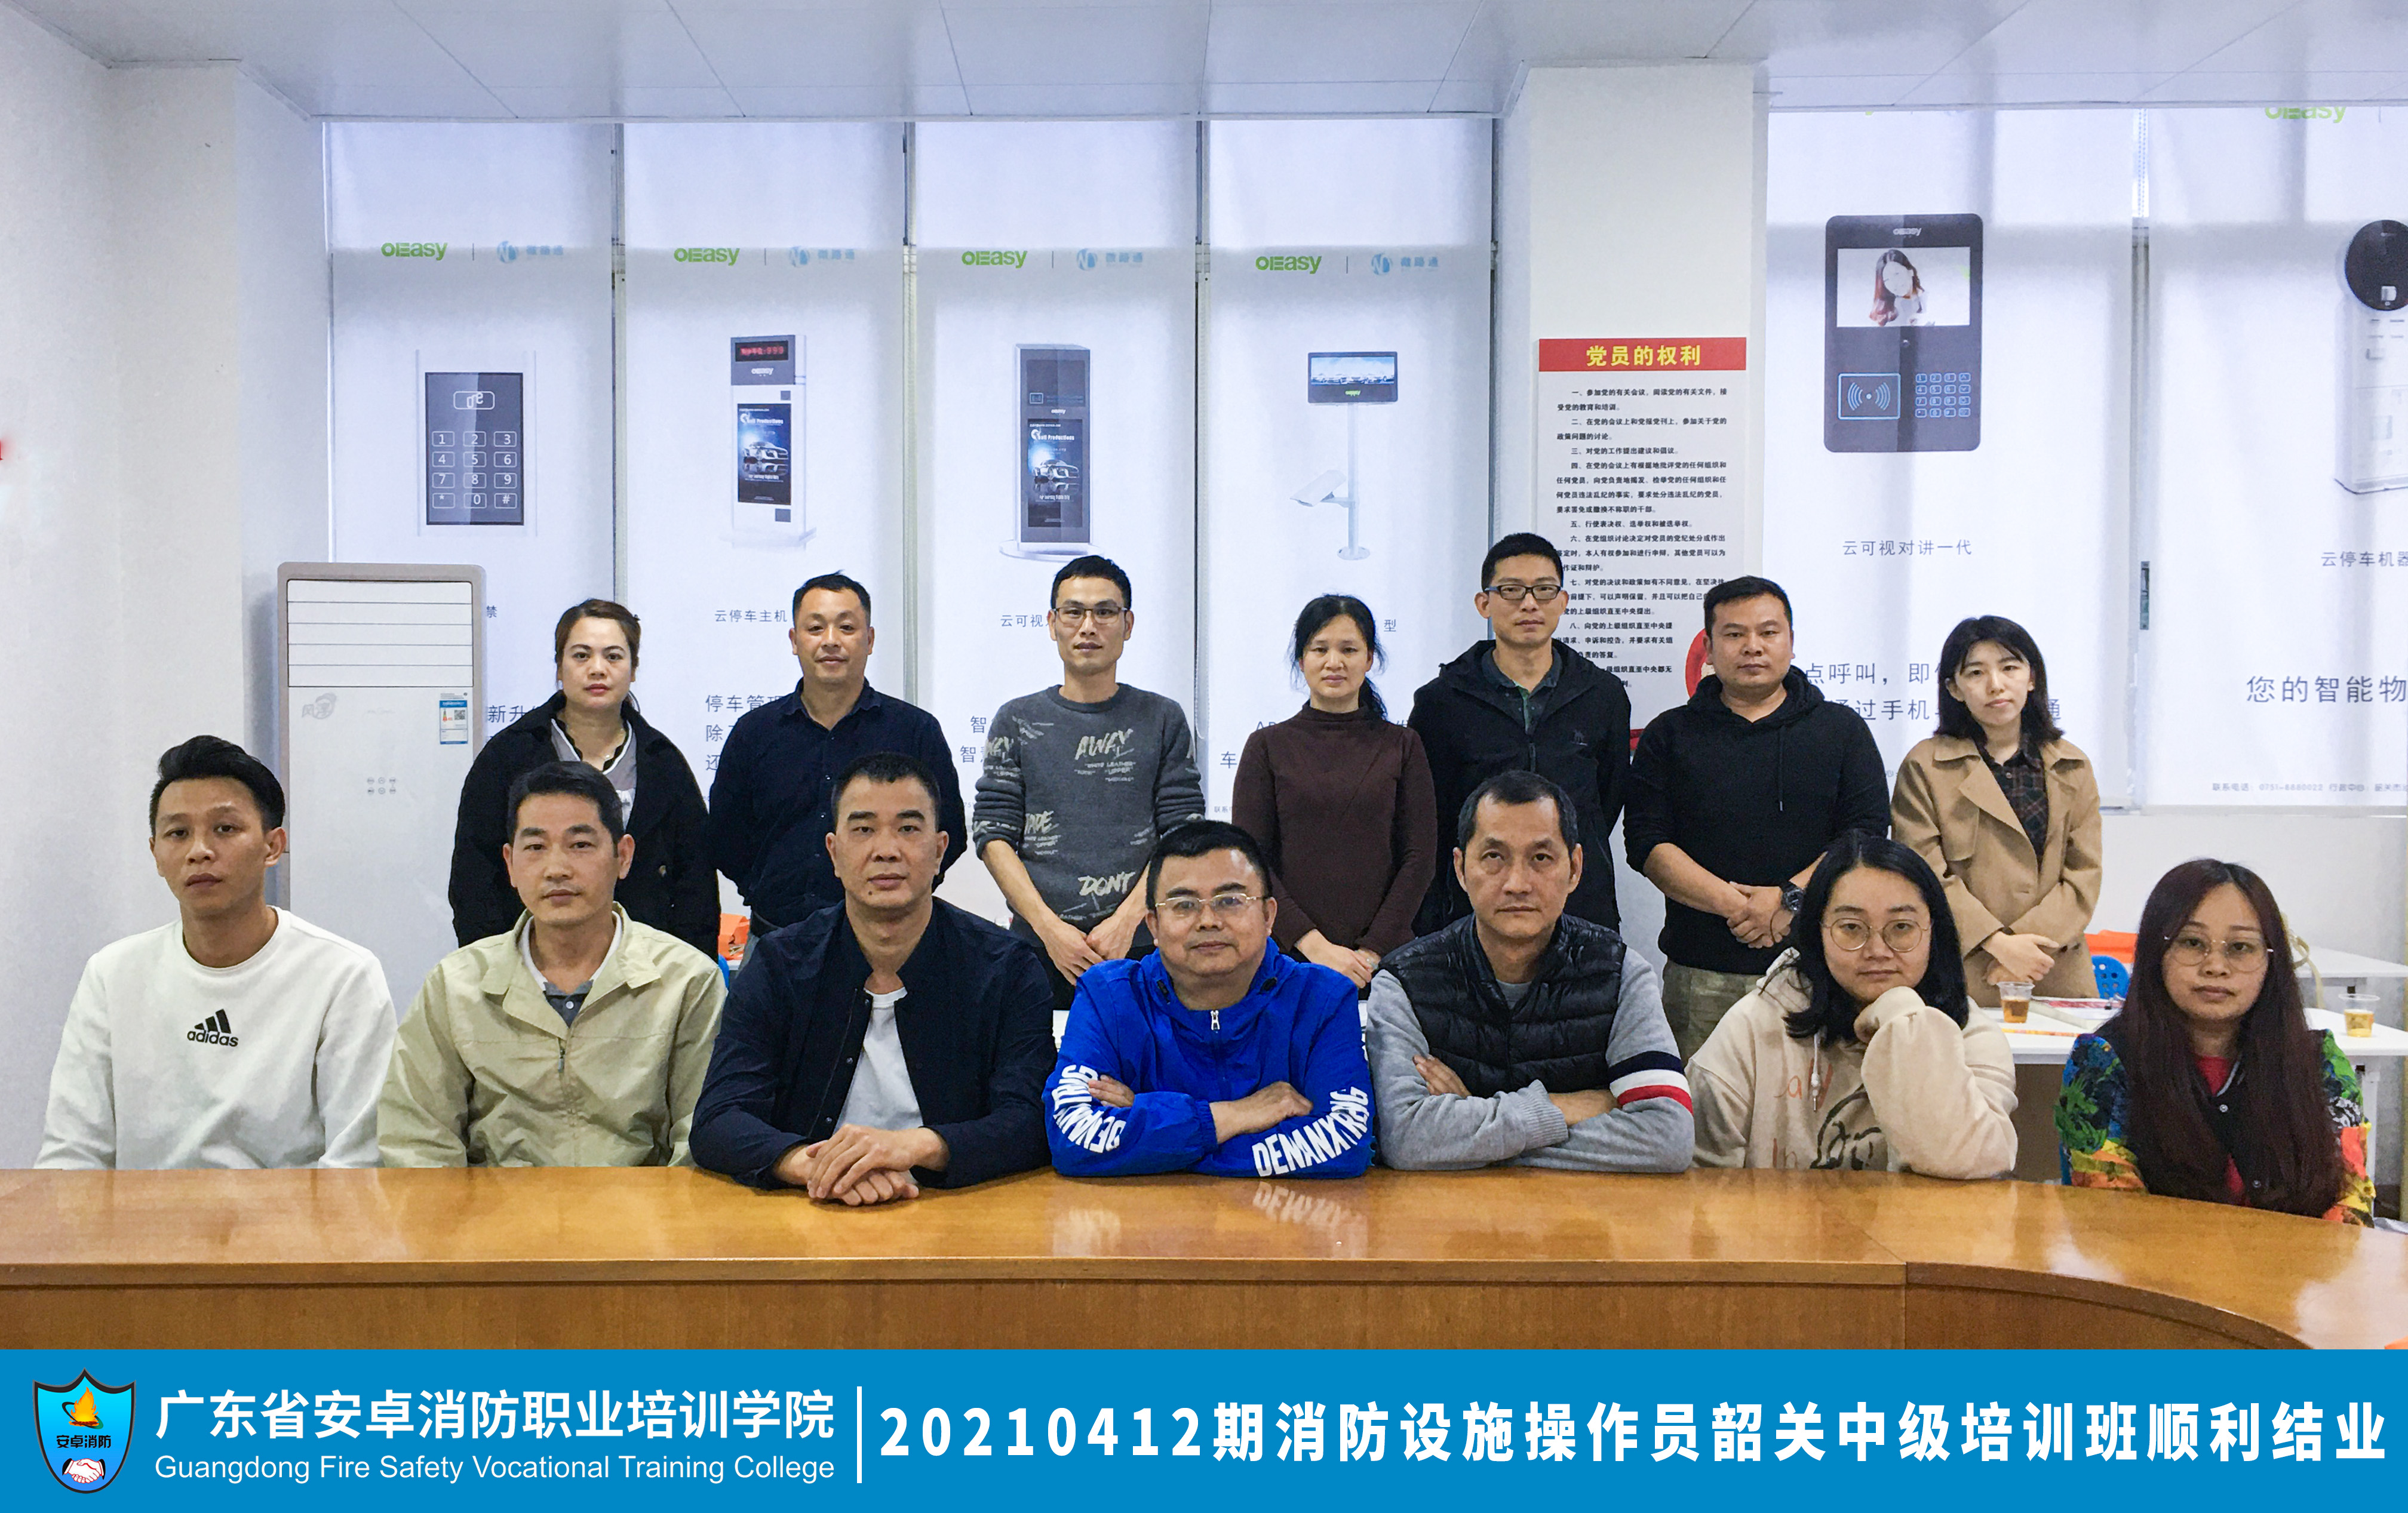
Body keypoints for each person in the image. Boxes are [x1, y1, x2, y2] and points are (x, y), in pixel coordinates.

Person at [691, 752, 1054, 1204]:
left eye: (909, 829)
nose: (886, 850)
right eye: (863, 830)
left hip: (957, 1211)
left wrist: (913, 1147)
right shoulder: (779, 965)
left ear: (940, 850)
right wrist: (816, 1167)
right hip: (813, 1207)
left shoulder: (1006, 968)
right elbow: (720, 1118)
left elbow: (1030, 1120)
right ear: (834, 852)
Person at [38, 736, 393, 1169]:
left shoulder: (343, 975)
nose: (199, 851)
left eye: (225, 829)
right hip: (144, 1214)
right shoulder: (112, 975)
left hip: (292, 1214)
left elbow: (357, 1163)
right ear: (156, 854)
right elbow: (72, 1154)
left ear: (273, 846)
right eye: (178, 833)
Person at [382, 763, 726, 1167]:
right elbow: (418, 1142)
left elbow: (702, 1140)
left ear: (623, 856)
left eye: (580, 845)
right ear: (510, 864)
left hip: (641, 1206)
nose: (557, 869)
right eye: (535, 847)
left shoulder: (685, 981)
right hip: (495, 1207)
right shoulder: (456, 985)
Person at [1367, 771, 1691, 1172]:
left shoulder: (1620, 973)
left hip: (1582, 1209)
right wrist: (1565, 1107)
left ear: (1575, 868)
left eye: (1541, 858)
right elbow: (1406, 1140)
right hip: (1449, 1211)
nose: (1517, 884)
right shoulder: (1405, 982)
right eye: (1494, 857)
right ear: (1461, 869)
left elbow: (1668, 1137)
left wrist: (1469, 1129)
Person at [1625, 576, 1890, 1060]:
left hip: (1822, 969)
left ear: (1791, 641)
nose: (1753, 646)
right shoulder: (1670, 734)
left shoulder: (1841, 730)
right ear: (1708, 648)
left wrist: (1789, 899)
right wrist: (1738, 906)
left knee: (1822, 1105)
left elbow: (1866, 834)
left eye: (1768, 632)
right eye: (1734, 634)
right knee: (1702, 1106)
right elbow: (1646, 842)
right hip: (1701, 975)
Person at [1045, 820, 1372, 1179]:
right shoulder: (1109, 995)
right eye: (1184, 905)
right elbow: (1073, 1138)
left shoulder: (1323, 998)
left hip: (1279, 1214)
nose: (1208, 921)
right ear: (1154, 926)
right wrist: (1231, 1116)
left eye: (1230, 901)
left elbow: (1344, 1142)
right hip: (1147, 1216)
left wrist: (1150, 1125)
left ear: (1268, 916)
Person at [2055, 859, 2373, 1225]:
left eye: (2240, 947)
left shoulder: (2320, 1064)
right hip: (2157, 1260)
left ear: (2271, 962)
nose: (2216, 966)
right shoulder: (2102, 1063)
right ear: (2157, 953)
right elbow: (2114, 1219)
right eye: (2193, 943)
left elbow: (2351, 1208)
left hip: (2301, 1261)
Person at [1690, 832, 2016, 1178]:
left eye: (1901, 927)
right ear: (1818, 932)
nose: (1877, 950)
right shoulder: (1755, 1024)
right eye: (1851, 927)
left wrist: (1902, 1014)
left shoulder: (1971, 1035)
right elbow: (1698, 1182)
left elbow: (1968, 1162)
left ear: (1934, 931)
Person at [974, 555, 1205, 1010]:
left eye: (1105, 612)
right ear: (1052, 623)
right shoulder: (1017, 719)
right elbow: (993, 834)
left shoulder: (1162, 718)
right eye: (1073, 612)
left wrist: (1126, 923)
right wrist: (1050, 929)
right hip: (1038, 948)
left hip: (1145, 947)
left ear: (1128, 624)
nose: (1088, 627)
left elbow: (1182, 833)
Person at [450, 599, 718, 958]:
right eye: (581, 656)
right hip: (529, 959)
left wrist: (686, 970)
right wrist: (494, 966)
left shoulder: (663, 762)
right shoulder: (508, 756)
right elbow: (474, 875)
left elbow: (695, 883)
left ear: (633, 669)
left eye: (613, 656)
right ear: (560, 667)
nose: (597, 669)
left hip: (644, 965)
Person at [710, 571, 966, 946]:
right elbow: (725, 836)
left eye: (846, 627)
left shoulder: (914, 731)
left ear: (870, 640)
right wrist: (765, 888)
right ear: (795, 641)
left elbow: (950, 832)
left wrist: (896, 898)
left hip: (890, 939)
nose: (831, 641)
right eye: (816, 628)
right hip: (777, 938)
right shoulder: (755, 732)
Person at [1408, 532, 1630, 936]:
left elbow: (1606, 800)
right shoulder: (1441, 702)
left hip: (1581, 908)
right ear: (1484, 603)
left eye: (1544, 590)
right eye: (1511, 590)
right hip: (1473, 913)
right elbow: (1433, 816)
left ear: (1563, 601)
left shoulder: (1603, 695)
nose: (1529, 604)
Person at [1892, 616, 2102, 1006]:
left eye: (2009, 667)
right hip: (1966, 971)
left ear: (2032, 677)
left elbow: (2083, 876)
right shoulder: (1925, 766)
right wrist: (1998, 945)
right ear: (1954, 688)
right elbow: (1923, 875)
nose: (1996, 684)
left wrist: (2022, 951)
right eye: (1976, 672)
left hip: (2053, 968)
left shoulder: (2073, 766)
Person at [1231, 594, 1436, 990]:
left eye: (1349, 650)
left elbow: (1419, 857)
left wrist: (1371, 952)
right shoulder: (1267, 747)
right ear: (1301, 659)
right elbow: (1252, 861)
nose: (1334, 662)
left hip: (1384, 965)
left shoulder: (1402, 745)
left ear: (1370, 659)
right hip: (1288, 961)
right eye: (1320, 649)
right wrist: (1315, 947)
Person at [1869, 249, 1925, 327]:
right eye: (1887, 280)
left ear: (1911, 271)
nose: (1894, 283)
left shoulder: (1929, 298)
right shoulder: (1892, 314)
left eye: (1897, 274)